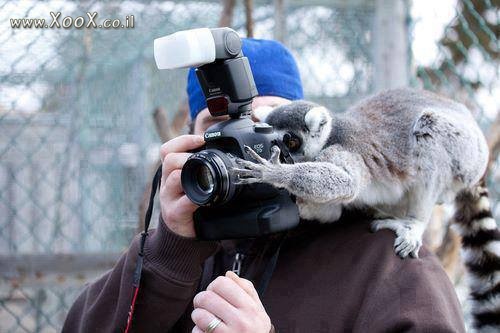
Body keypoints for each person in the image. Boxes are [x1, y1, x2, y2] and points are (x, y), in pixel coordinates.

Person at [63, 38, 466, 333]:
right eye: (218, 128)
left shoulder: (383, 263)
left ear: (308, 134)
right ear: (186, 142)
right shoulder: (175, 255)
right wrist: (171, 252)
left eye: (264, 125)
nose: (244, 145)